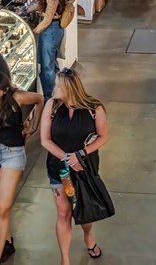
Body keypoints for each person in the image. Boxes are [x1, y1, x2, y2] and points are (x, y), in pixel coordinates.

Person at [0, 71, 44, 265]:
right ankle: (8, 242)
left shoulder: (17, 98)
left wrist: (34, 127)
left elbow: (40, 99)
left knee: (2, 208)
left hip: (13, 154)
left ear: (4, 91)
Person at [40, 69, 109, 264]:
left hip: (84, 170)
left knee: (85, 210)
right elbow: (45, 140)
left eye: (57, 86)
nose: (54, 89)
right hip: (58, 170)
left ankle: (88, 237)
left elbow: (103, 137)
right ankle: (65, 258)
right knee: (64, 213)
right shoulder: (51, 106)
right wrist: (68, 157)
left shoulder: (94, 109)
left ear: (68, 89)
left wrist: (81, 155)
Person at [30, 0, 69, 98]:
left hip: (51, 31)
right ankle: (60, 93)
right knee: (53, 65)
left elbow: (47, 20)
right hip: (54, 30)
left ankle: (50, 98)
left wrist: (33, 32)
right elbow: (40, 6)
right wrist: (24, 11)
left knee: (47, 68)